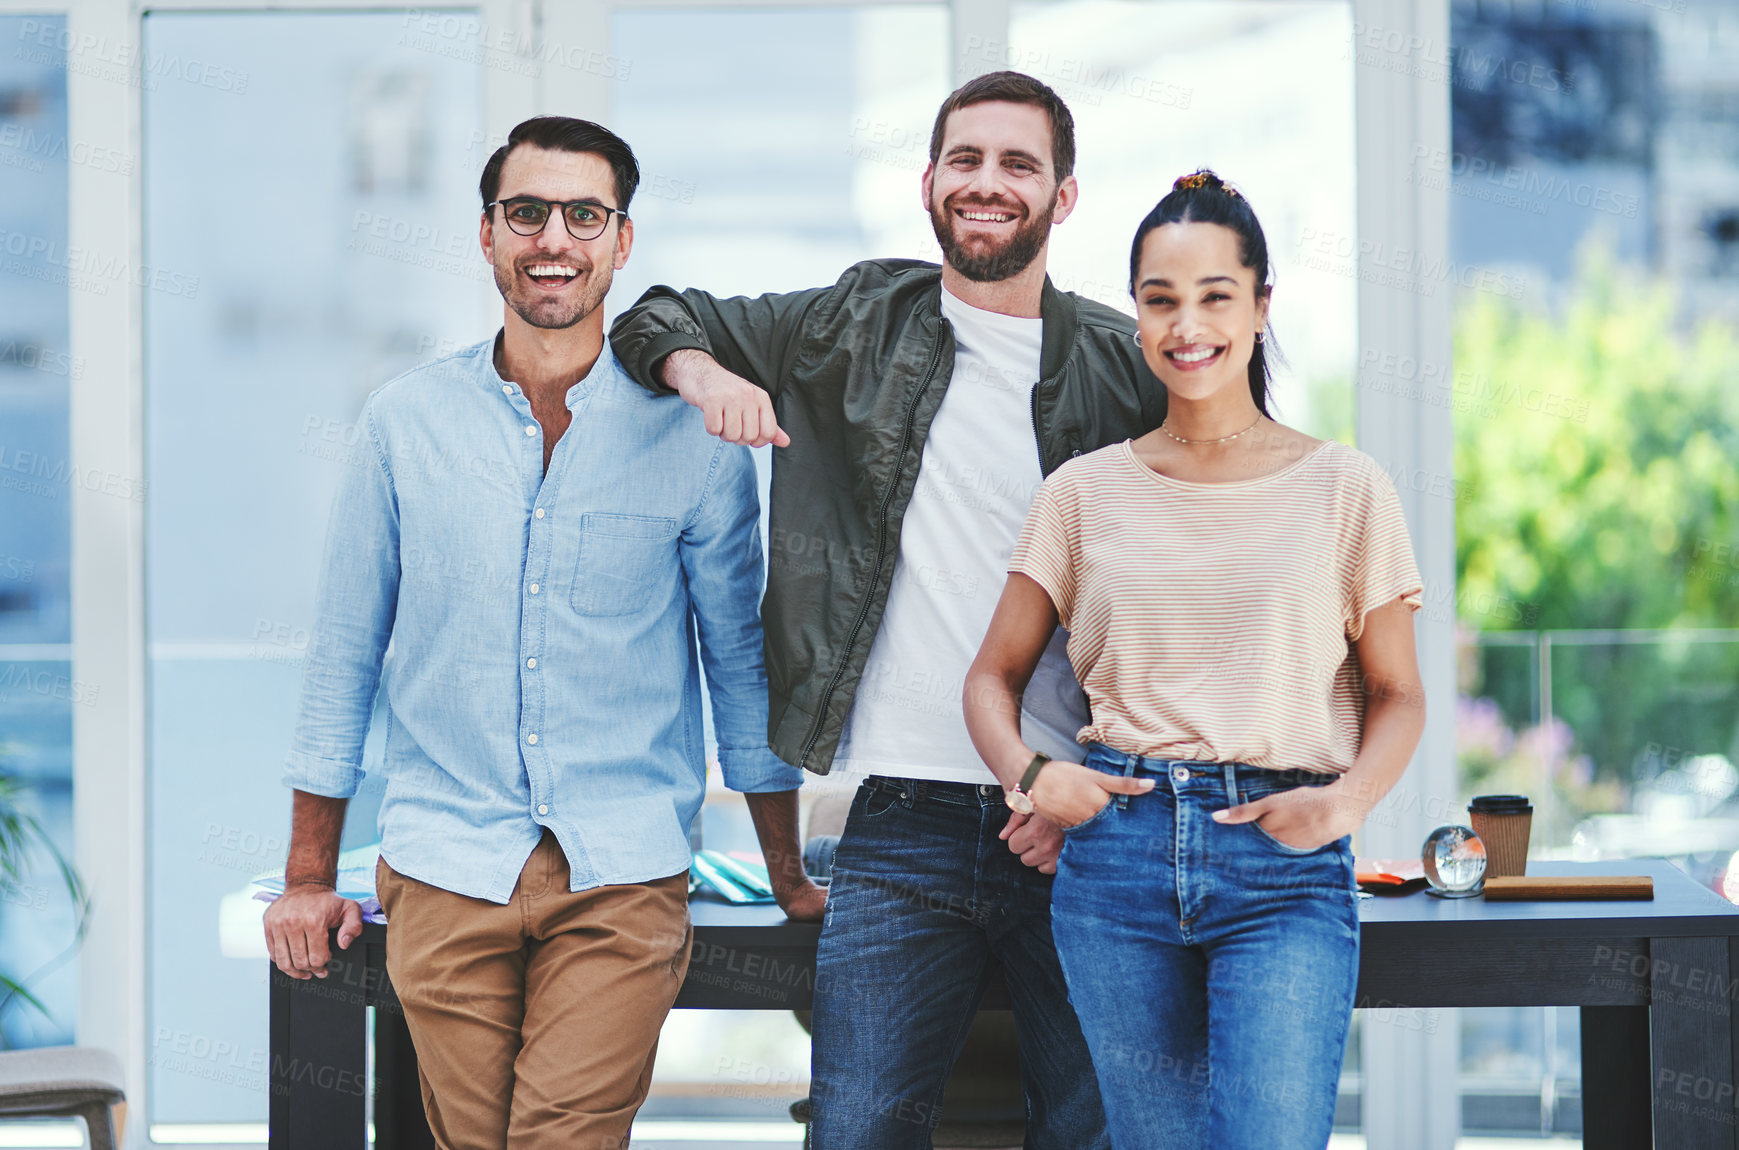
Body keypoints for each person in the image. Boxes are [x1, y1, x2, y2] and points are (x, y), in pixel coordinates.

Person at [610, 71, 1162, 1149]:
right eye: (964, 159)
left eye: (1017, 163)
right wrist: (701, 375)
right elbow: (654, 313)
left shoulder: (1122, 363)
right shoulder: (853, 323)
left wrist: (1100, 790)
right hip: (901, 819)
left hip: (1078, 825)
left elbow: (1192, 597)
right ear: (926, 182)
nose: (987, 183)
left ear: (1064, 195)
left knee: (1100, 1130)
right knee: (856, 1130)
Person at [262, 115, 822, 1150]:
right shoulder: (403, 424)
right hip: (443, 865)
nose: (552, 238)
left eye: (583, 214)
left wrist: (783, 869)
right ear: (487, 235)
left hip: (620, 872)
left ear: (621, 239)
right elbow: (345, 652)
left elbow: (739, 668)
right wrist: (307, 878)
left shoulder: (694, 444)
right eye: (526, 212)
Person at [963, 169, 1427, 1150]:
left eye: (1214, 295)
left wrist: (1344, 804)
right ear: (1135, 314)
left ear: (1260, 305)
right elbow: (988, 679)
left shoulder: (1345, 487)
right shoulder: (1081, 494)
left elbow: (1397, 693)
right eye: (1159, 299)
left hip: (1281, 864)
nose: (1186, 325)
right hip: (1115, 867)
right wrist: (1031, 775)